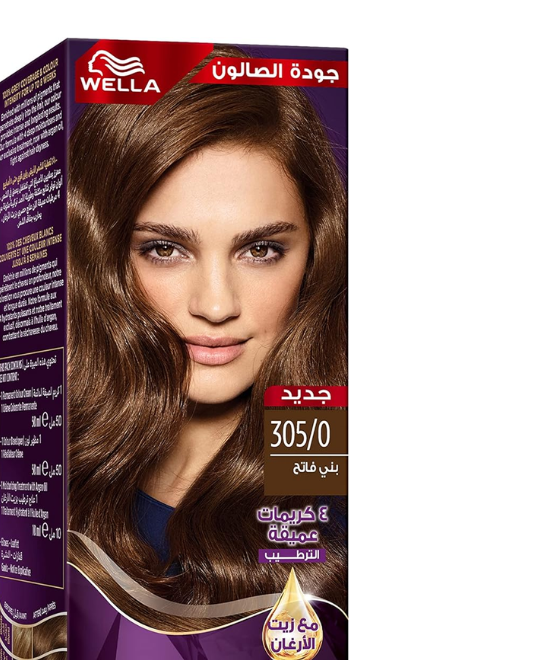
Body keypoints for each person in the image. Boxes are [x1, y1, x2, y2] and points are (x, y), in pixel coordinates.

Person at [67, 46, 347, 627]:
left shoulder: (340, 499)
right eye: (164, 249)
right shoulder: (47, 483)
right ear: (102, 259)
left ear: (316, 256)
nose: (216, 306)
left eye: (261, 250)